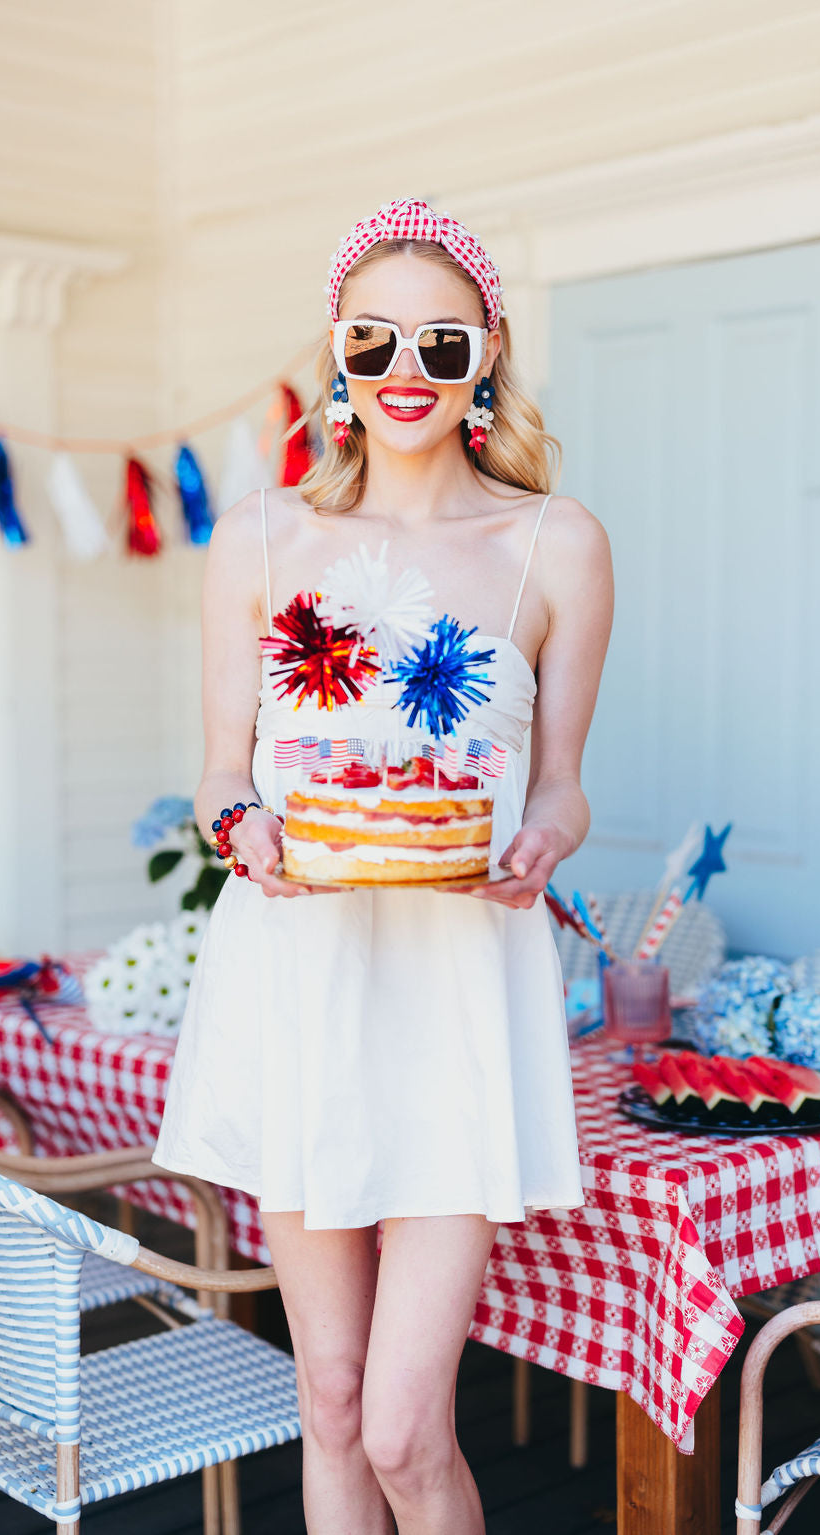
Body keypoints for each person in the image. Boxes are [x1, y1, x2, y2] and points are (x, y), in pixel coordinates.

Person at [154, 197, 614, 1535]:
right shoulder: (258, 539)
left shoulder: (556, 545)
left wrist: (542, 839)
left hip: (463, 1001)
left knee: (412, 1427)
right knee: (334, 1402)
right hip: (302, 980)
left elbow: (565, 788)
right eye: (373, 341)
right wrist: (245, 834)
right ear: (337, 360)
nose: (405, 369)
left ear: (490, 355)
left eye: (440, 341)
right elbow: (222, 776)